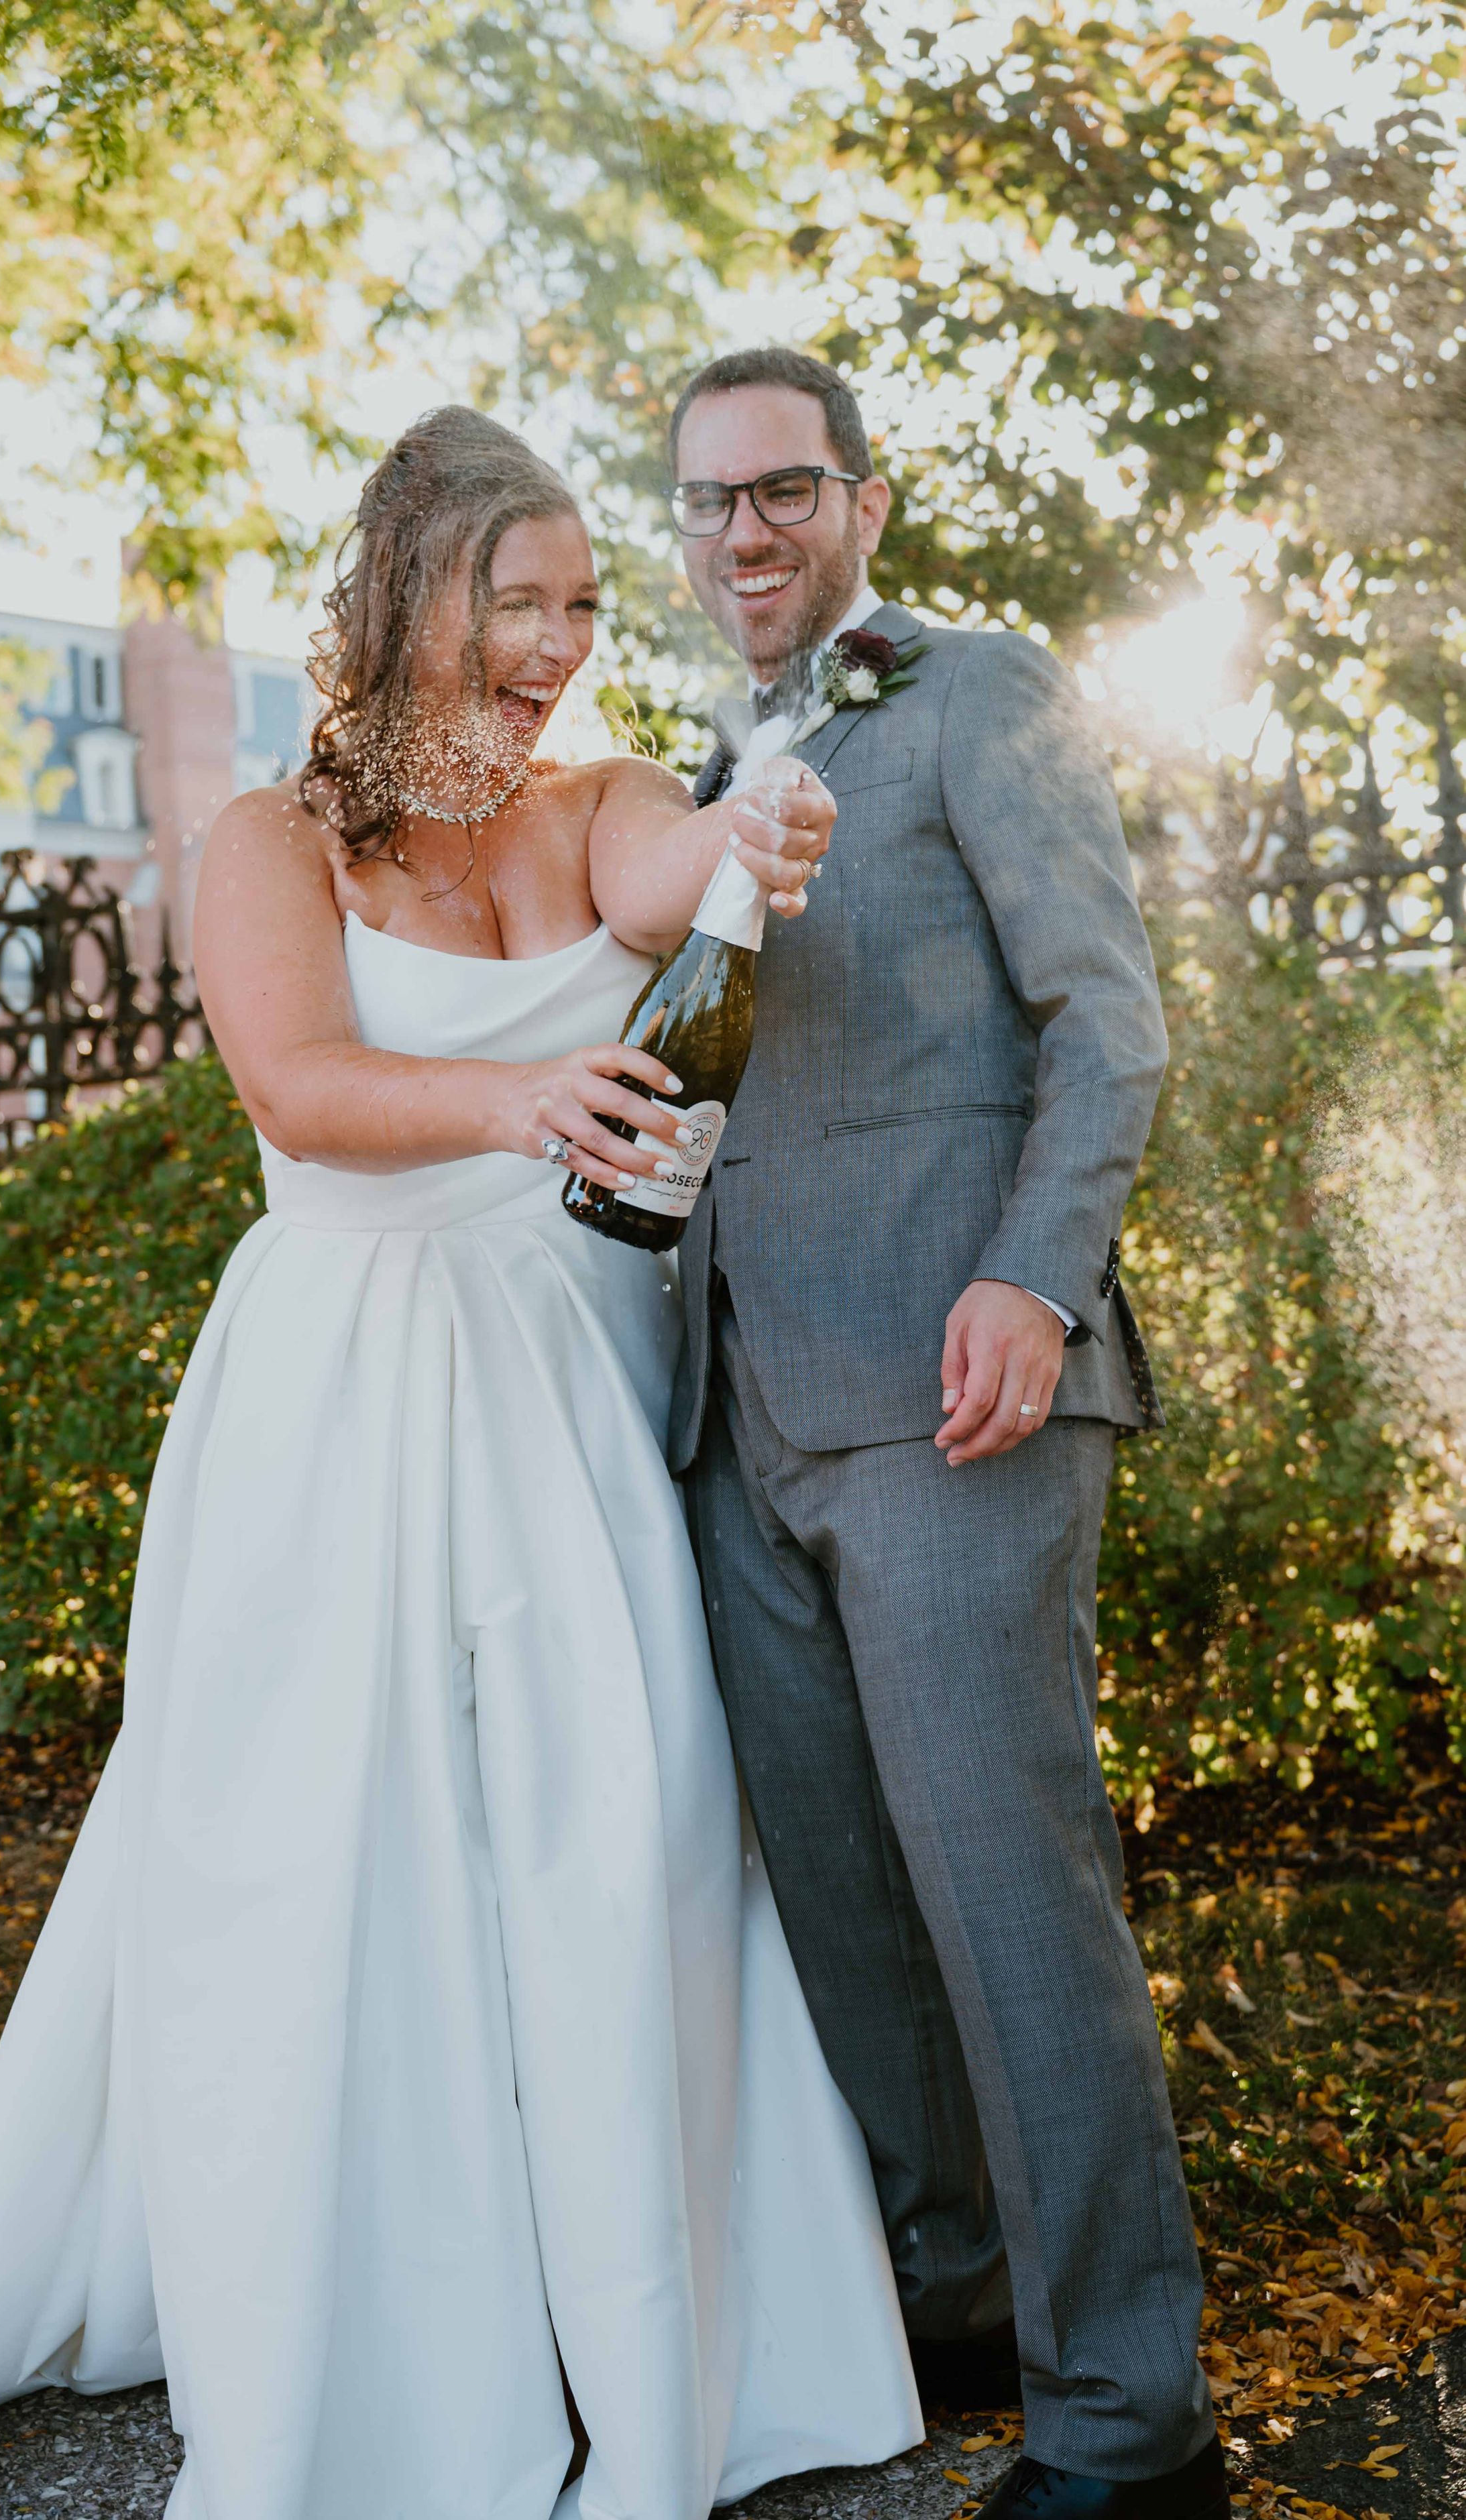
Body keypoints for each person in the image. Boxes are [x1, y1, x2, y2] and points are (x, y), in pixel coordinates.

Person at [0, 408, 921, 2520]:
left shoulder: (599, 802)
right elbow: (300, 1089)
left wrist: (756, 822)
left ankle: (632, 2306)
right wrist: (517, 1105)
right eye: (522, 603)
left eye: (584, 605)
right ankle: (369, 2309)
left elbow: (676, 870)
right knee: (329, 1846)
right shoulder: (270, 841)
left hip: (568, 1388)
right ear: (410, 600)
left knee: (616, 1833)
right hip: (345, 1385)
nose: (563, 643)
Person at [665, 347, 1228, 2520]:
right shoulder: (700, 766)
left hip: (957, 1391)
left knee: (1007, 1898)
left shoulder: (975, 691)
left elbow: (1108, 1018)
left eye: (784, 489)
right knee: (844, 1903)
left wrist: (1033, 1276)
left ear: (864, 501)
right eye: (709, 500)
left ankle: (1128, 2428)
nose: (745, 532)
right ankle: (960, 2292)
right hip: (740, 1414)